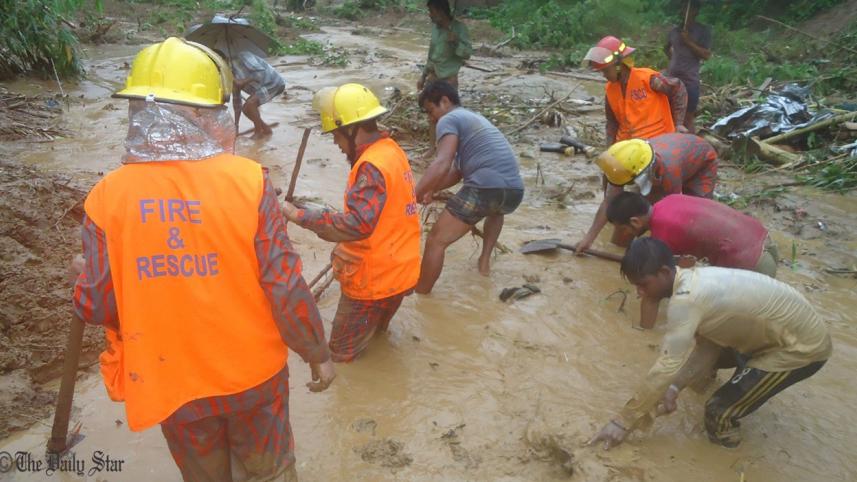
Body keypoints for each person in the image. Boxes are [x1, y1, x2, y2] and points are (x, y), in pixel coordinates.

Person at [72, 37, 334, 481]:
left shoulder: (105, 200)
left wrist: (84, 276)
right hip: (254, 380)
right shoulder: (249, 183)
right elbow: (284, 284)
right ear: (204, 112)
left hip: (173, 384)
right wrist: (316, 351)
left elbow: (97, 306)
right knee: (271, 472)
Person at [590, 238, 831, 449]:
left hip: (801, 351)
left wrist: (622, 421)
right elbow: (709, 346)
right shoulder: (694, 278)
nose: (639, 293)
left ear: (664, 273)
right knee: (710, 368)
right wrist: (674, 389)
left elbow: (665, 366)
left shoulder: (686, 301)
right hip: (775, 335)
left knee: (717, 413)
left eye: (643, 284)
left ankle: (729, 459)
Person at [282, 83, 421, 362]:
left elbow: (357, 225)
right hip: (402, 270)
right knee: (377, 337)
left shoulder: (370, 166)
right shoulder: (391, 150)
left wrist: (296, 215)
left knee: (341, 356)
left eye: (335, 135)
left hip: (373, 280)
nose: (335, 143)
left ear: (350, 129)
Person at [606, 192, 779, 328]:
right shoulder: (668, 201)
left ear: (635, 222)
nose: (624, 235)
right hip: (765, 243)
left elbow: (654, 293)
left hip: (752, 265)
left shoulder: (663, 232)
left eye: (623, 229)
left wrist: (642, 334)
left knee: (725, 326)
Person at [415, 81, 524, 293]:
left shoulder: (448, 119)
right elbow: (457, 172)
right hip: (513, 192)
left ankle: (421, 295)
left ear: (445, 101)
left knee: (436, 240)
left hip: (484, 188)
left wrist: (414, 194)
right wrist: (431, 190)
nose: (431, 118)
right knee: (495, 210)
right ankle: (484, 264)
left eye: (431, 110)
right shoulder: (473, 119)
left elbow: (441, 162)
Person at [576, 133, 718, 254]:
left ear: (639, 176)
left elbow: (673, 214)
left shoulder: (669, 172)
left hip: (702, 163)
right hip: (664, 166)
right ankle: (620, 247)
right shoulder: (622, 165)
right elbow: (609, 202)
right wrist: (589, 239)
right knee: (628, 216)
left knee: (694, 217)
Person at [583, 36, 688, 145]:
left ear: (618, 66)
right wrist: (610, 147)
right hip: (627, 145)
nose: (604, 75)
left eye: (606, 71)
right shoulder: (610, 90)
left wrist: (678, 124)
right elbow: (612, 122)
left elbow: (677, 88)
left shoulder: (648, 79)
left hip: (658, 141)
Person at [665, 0, 712, 133]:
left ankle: (690, 147)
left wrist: (688, 42)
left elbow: (706, 55)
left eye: (688, 8)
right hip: (672, 79)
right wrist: (674, 60)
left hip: (689, 80)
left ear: (695, 11)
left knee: (687, 118)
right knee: (668, 114)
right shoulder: (674, 31)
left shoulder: (703, 31)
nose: (684, 11)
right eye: (683, 7)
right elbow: (666, 48)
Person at [218, 48, 285, 139]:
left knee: (250, 104)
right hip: (261, 89)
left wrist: (243, 82)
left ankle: (259, 132)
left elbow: (261, 72)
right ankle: (266, 129)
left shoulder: (243, 56)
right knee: (245, 110)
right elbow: (237, 101)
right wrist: (236, 126)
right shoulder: (230, 75)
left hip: (273, 82)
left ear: (222, 60)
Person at [417, 0, 472, 91]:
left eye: (431, 11)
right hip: (432, 78)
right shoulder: (435, 28)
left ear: (441, 12)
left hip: (449, 82)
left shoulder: (459, 28)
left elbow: (467, 54)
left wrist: (456, 42)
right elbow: (431, 56)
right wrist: (423, 77)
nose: (429, 14)